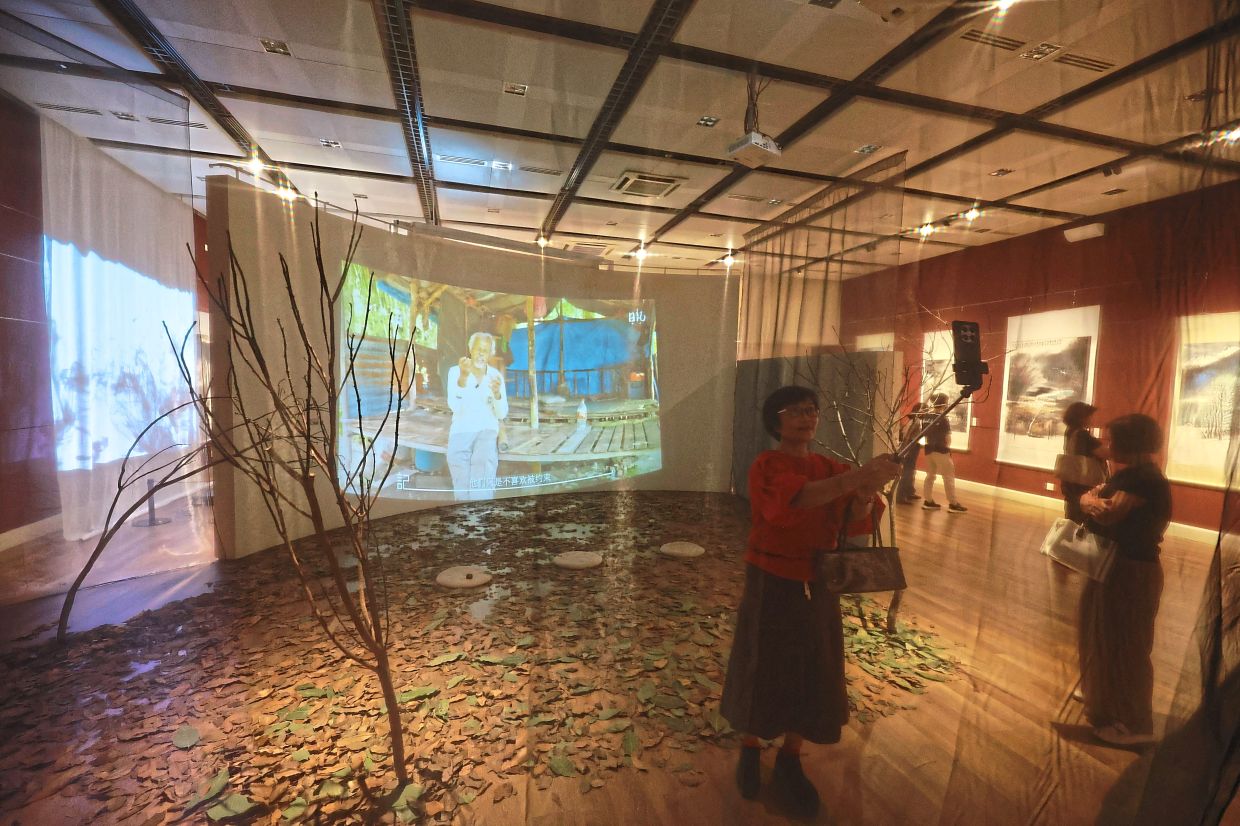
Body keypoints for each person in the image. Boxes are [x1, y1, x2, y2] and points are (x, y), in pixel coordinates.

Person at [720, 385, 901, 817]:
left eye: (811, 410)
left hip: (819, 581)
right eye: (795, 411)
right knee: (761, 662)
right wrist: (857, 478)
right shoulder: (767, 464)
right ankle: (750, 746)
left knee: (812, 666)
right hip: (771, 579)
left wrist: (861, 494)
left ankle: (789, 756)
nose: (806, 417)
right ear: (775, 420)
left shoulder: (828, 465)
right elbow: (795, 501)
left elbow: (855, 522)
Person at [1076, 413, 1171, 747]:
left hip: (1132, 569)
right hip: (1118, 566)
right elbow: (1096, 497)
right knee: (1103, 634)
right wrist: (1090, 499)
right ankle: (1105, 696)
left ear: (1131, 443)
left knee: (1128, 646)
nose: (1107, 446)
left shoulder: (1143, 480)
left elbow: (1105, 510)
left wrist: (1087, 501)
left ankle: (1135, 724)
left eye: (1112, 440)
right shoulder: (1133, 476)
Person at [445, 332, 508, 500]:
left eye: (485, 351)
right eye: (478, 349)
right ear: (470, 349)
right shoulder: (455, 372)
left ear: (490, 354)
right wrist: (463, 378)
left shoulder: (495, 376)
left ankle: (480, 517)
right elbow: (454, 406)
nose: (481, 354)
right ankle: (464, 515)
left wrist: (496, 394)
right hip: (461, 429)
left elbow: (502, 413)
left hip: (486, 429)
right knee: (457, 464)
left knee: (483, 467)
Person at [1059, 401, 1109, 523]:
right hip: (1084, 482)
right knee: (1083, 520)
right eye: (1090, 415)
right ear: (1082, 417)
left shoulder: (1070, 431)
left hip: (1071, 482)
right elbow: (1106, 454)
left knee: (1072, 517)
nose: (1092, 419)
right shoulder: (1082, 435)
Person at [921, 393, 967, 513]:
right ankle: (953, 503)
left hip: (928, 449)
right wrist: (947, 449)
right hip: (941, 451)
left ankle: (928, 501)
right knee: (948, 477)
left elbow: (924, 434)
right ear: (944, 403)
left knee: (930, 476)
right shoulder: (943, 418)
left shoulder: (926, 416)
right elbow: (947, 439)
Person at [895, 402, 925, 504]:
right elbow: (906, 437)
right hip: (910, 448)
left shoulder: (916, 421)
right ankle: (901, 496)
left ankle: (909, 491)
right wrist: (905, 450)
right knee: (907, 472)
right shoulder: (914, 421)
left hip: (913, 447)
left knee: (911, 471)